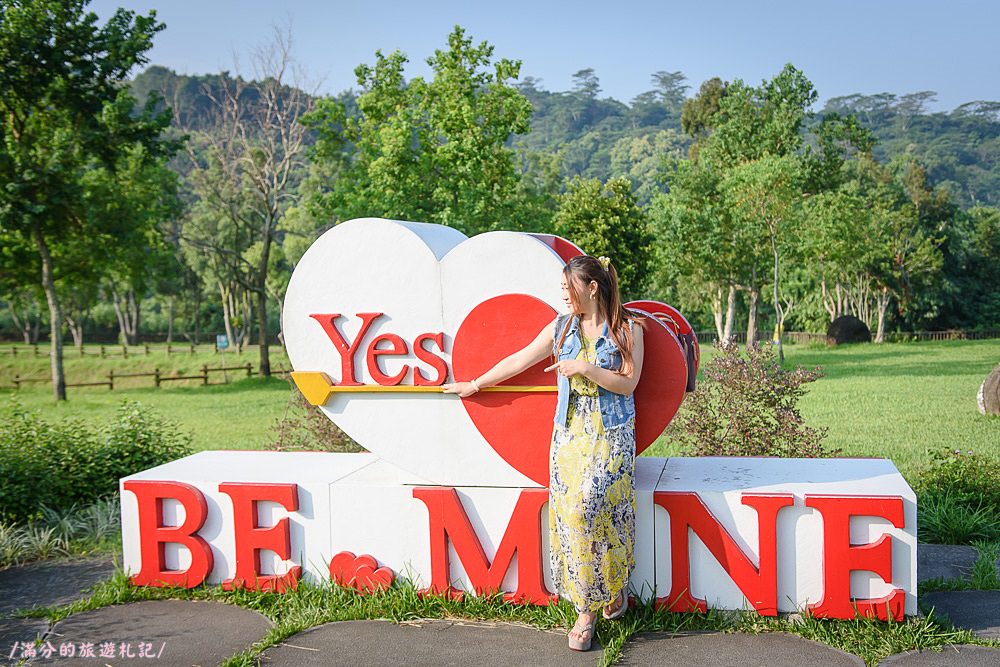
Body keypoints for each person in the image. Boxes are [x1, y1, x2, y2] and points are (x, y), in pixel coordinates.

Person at [443, 255, 645, 652]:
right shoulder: (561, 326)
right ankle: (587, 606)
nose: (564, 295)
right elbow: (521, 358)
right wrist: (476, 383)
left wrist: (584, 368)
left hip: (612, 433)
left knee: (598, 508)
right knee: (572, 516)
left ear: (591, 288)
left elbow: (628, 383)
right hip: (569, 436)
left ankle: (612, 589)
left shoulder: (627, 328)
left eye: (570, 288)